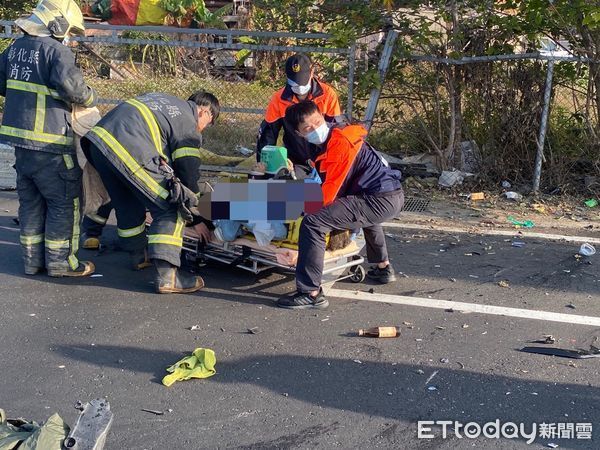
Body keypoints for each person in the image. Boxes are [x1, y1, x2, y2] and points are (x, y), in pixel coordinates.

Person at [81, 91, 219, 294]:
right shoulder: (187, 121)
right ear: (204, 112)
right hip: (128, 146)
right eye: (210, 121)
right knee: (172, 205)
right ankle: (168, 277)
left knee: (127, 201)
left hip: (99, 143)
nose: (205, 128)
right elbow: (187, 169)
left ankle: (139, 257)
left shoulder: (166, 103)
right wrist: (194, 215)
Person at [0, 0, 97, 277]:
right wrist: (92, 97)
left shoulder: (15, 48)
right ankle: (61, 263)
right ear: (58, 24)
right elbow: (77, 92)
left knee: (30, 203)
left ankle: (32, 262)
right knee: (63, 202)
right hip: (52, 144)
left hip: (21, 145)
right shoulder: (57, 51)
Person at [277, 101, 404, 310]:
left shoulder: (340, 143)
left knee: (313, 223)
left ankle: (310, 292)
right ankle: (383, 268)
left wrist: (294, 207)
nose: (315, 129)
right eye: (307, 128)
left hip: (380, 198)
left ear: (322, 116)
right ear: (299, 133)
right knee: (363, 215)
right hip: (390, 195)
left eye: (317, 122)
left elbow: (326, 196)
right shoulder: (337, 136)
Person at [256, 53, 343, 170]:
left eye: (302, 81)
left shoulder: (327, 95)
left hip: (325, 158)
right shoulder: (279, 99)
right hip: (295, 160)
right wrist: (264, 163)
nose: (299, 86)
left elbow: (336, 128)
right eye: (295, 82)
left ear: (312, 73)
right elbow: (268, 135)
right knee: (282, 184)